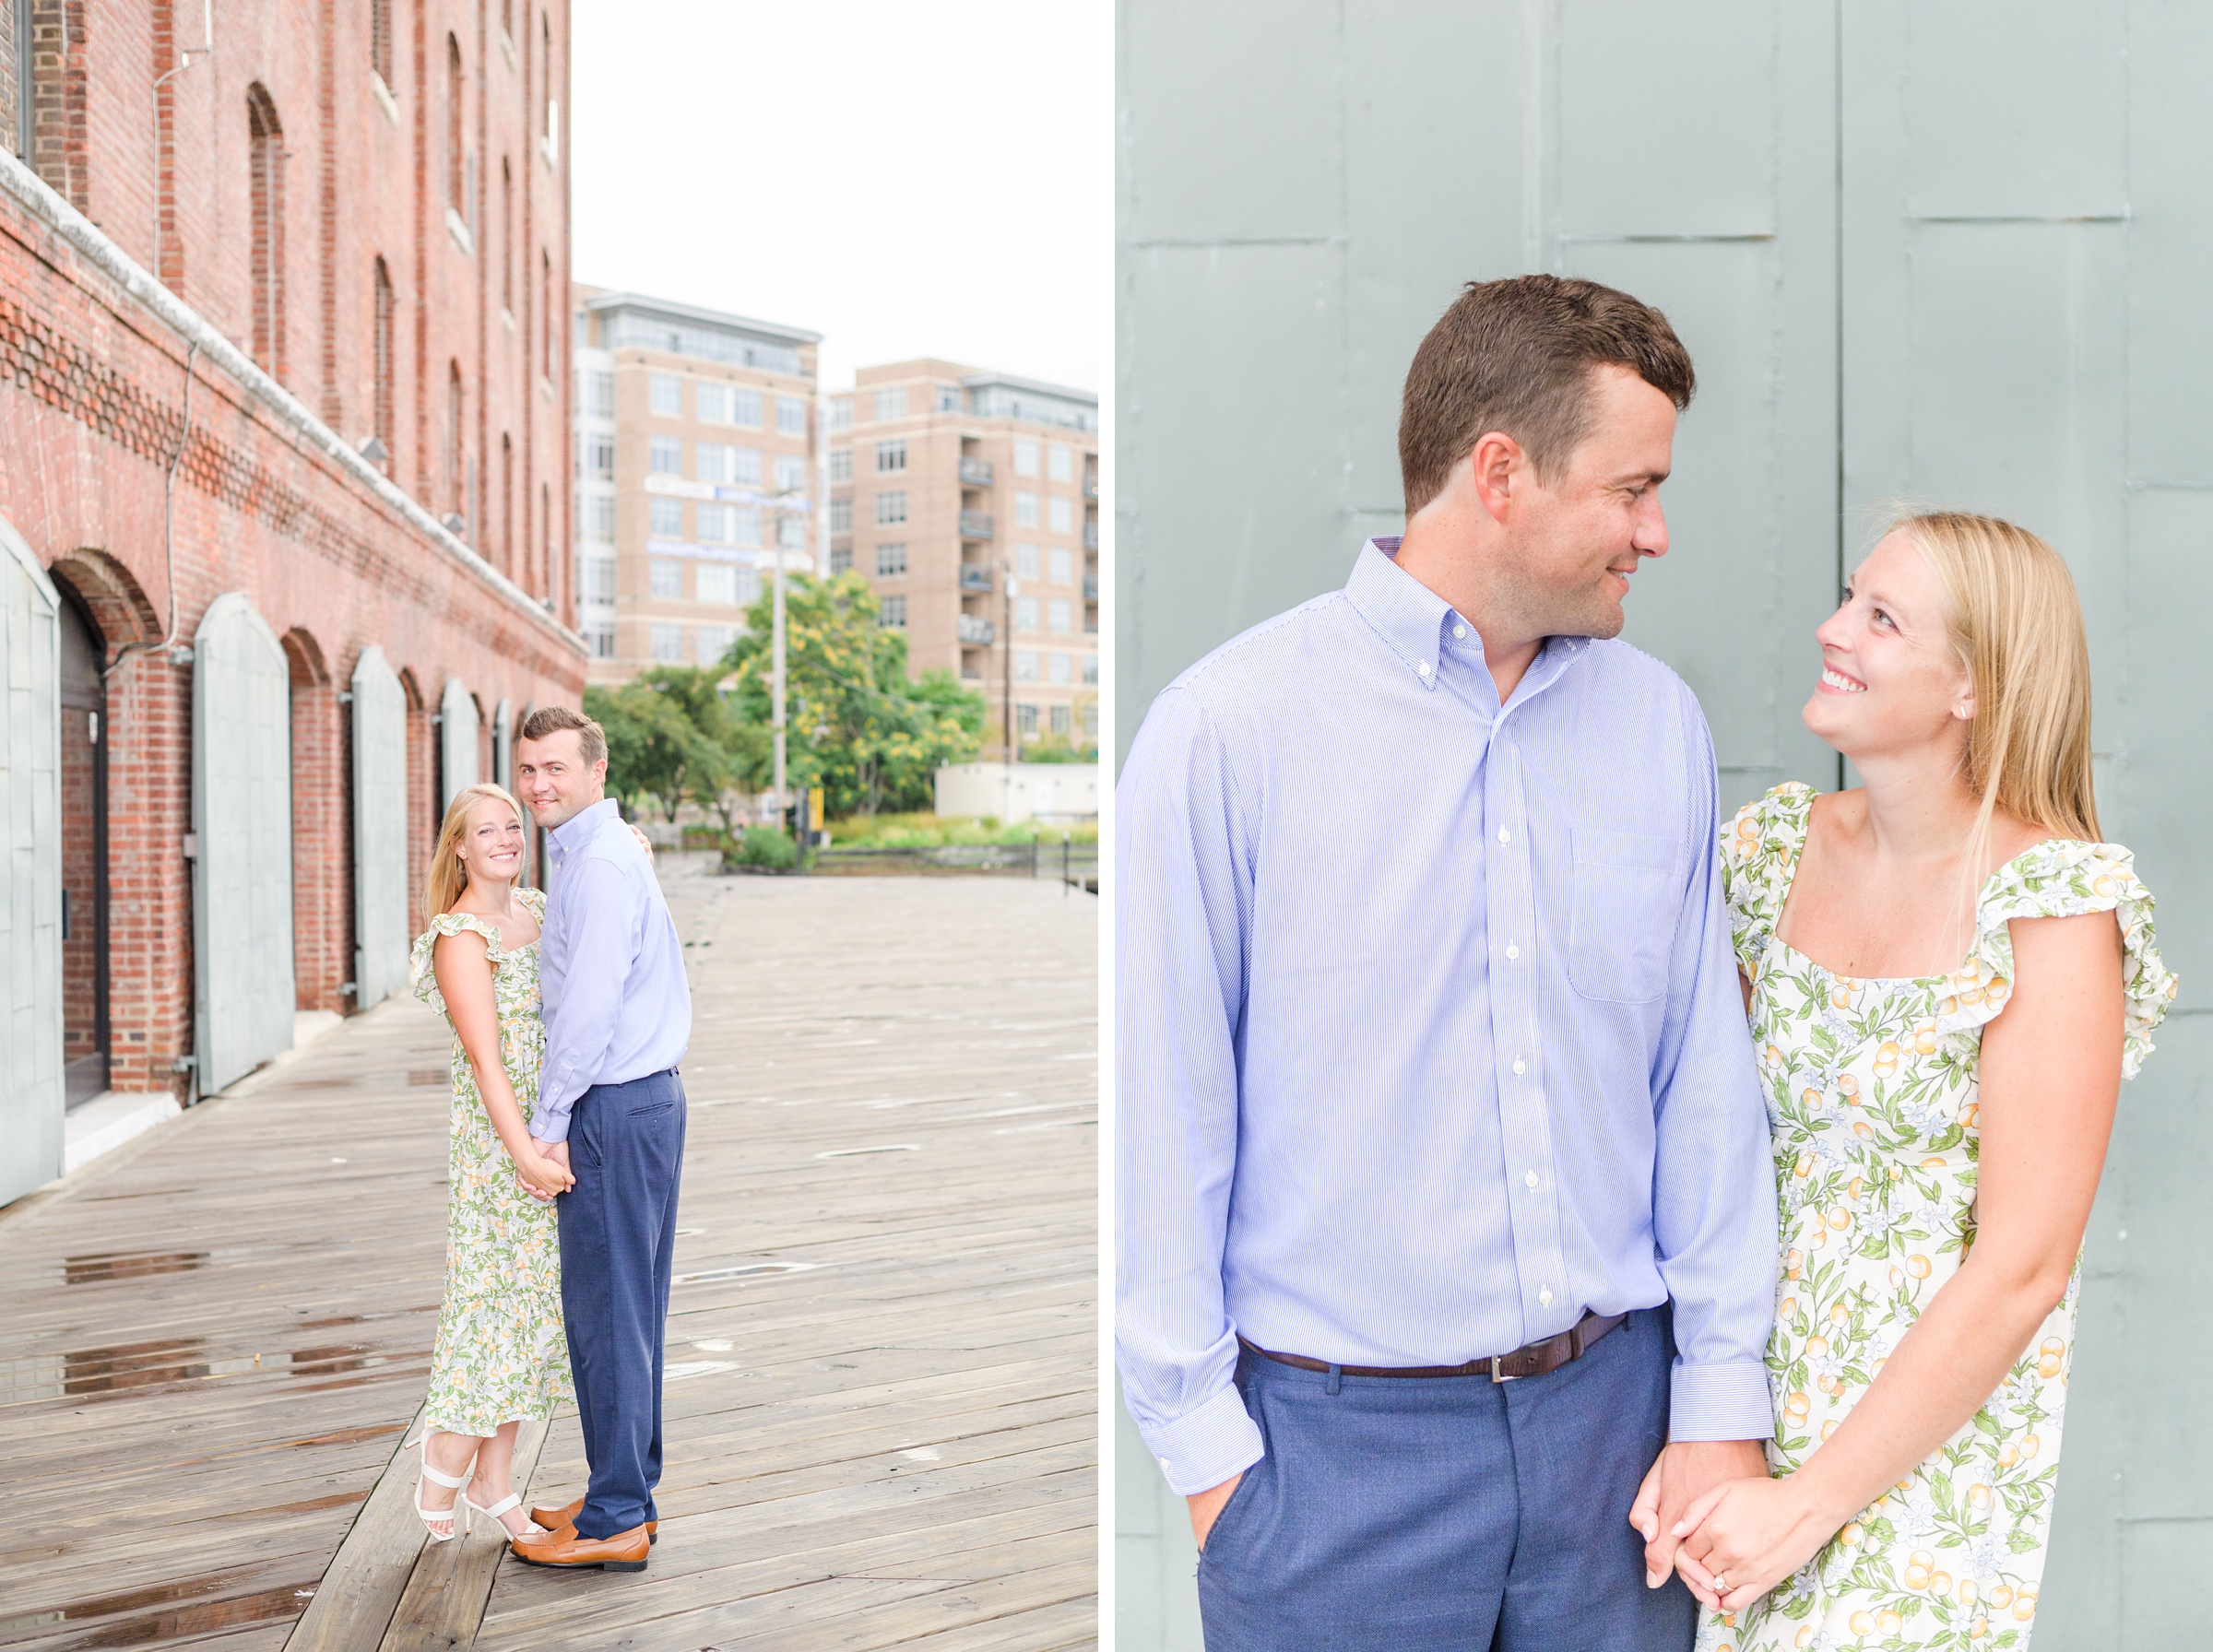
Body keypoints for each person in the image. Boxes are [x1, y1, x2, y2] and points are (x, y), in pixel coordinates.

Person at [1116, 274, 1778, 1650]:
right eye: (1631, 488)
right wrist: (1213, 1468)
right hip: (1330, 1472)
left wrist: (1720, 1407)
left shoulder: (1659, 727)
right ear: (1500, 475)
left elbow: (1700, 1085)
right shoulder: (1227, 732)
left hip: (1621, 1452)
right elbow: (1164, 1109)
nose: (1656, 532)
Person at [1673, 513, 2174, 1649]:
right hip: (1723, 1410)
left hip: (1915, 1460)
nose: (1832, 629)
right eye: (1851, 596)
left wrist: (1808, 1506)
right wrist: (1702, 1415)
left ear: (1970, 687)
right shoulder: (1767, 852)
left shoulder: (2050, 904)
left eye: (1881, 618)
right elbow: (1693, 1131)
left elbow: (2023, 1266)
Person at [506, 704, 692, 1575]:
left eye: (555, 770)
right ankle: (626, 1490)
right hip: (636, 1105)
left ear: (595, 773)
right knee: (628, 1312)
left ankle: (617, 1514)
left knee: (608, 1317)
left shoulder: (603, 864)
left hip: (612, 1108)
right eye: (528, 770)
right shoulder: (596, 854)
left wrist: (545, 1128)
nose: (540, 785)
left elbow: (587, 1009)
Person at [408, 783, 575, 1545]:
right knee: (488, 1310)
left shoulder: (537, 912)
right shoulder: (460, 935)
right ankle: (446, 1457)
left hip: (552, 1133)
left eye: (514, 824)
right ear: (460, 848)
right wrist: (524, 1157)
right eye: (488, 829)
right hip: (498, 1147)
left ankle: (494, 1482)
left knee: (530, 1319)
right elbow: (485, 1062)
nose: (507, 837)